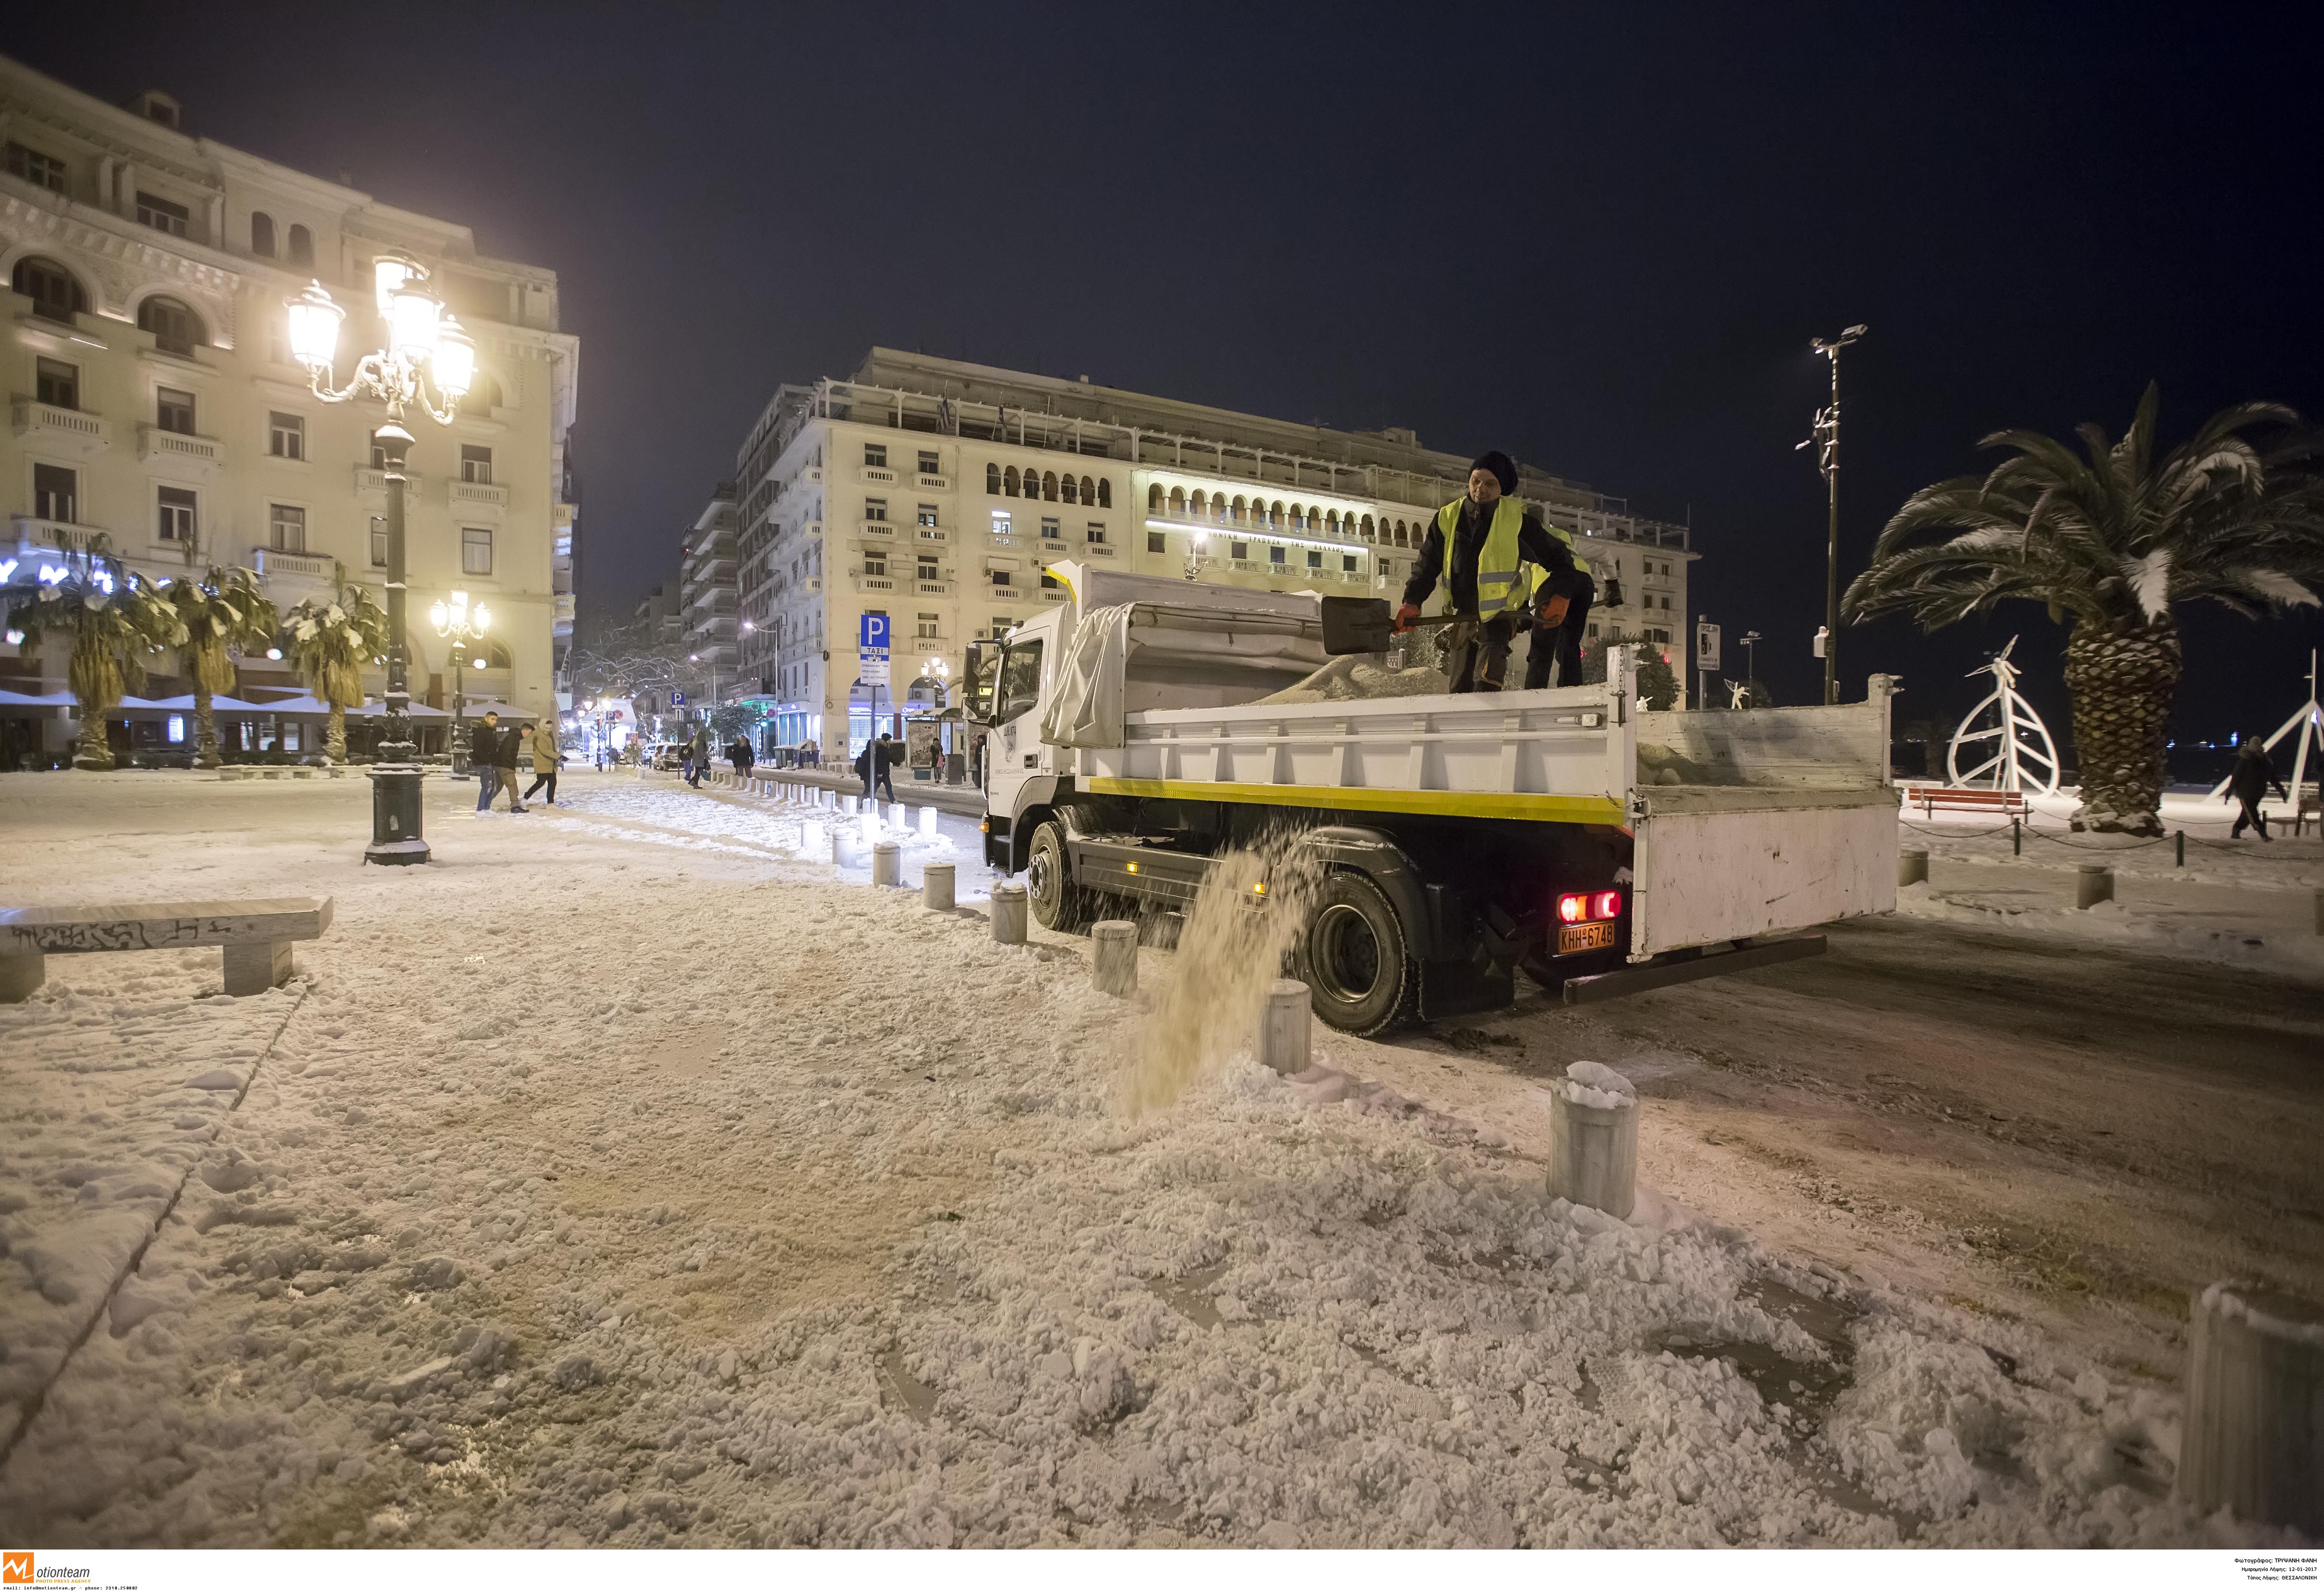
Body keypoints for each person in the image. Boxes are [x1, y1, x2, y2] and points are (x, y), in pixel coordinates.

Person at [1397, 450, 1587, 694]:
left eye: (1490, 484)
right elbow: (1427, 563)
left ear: (1502, 488)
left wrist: (1561, 596)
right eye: (1476, 481)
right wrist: (1412, 601)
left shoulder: (1516, 521)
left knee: (1486, 687)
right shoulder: (1448, 517)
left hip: (1500, 618)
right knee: (1458, 691)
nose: (1480, 489)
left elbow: (1561, 560)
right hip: (1463, 616)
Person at [2227, 736, 2287, 840]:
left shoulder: (2250, 762)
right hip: (2251, 793)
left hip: (2249, 793)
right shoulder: (2263, 762)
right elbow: (2273, 779)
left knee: (2248, 813)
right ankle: (2263, 835)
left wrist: (2229, 793)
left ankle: (2236, 831)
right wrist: (2282, 791)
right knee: (2252, 813)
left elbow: (2235, 779)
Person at [525, 718, 564, 805]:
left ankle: (550, 802)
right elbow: (545, 751)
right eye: (546, 728)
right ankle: (526, 797)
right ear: (542, 727)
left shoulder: (549, 735)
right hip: (543, 764)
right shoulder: (539, 736)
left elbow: (551, 749)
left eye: (550, 728)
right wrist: (559, 756)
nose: (548, 730)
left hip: (550, 765)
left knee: (552, 783)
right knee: (540, 783)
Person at [470, 712, 502, 813]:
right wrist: (486, 760)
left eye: (496, 720)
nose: (495, 722)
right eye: (493, 719)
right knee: (487, 787)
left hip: (489, 762)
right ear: (486, 719)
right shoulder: (481, 731)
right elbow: (478, 749)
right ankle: (481, 809)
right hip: (484, 763)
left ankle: (486, 808)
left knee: (492, 787)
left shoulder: (491, 731)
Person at [494, 717, 527, 811]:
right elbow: (509, 752)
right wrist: (511, 767)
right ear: (525, 731)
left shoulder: (512, 736)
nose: (528, 735)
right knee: (512, 785)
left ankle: (485, 804)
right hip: (506, 765)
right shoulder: (514, 738)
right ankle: (515, 807)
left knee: (498, 787)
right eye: (529, 733)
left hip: (500, 764)